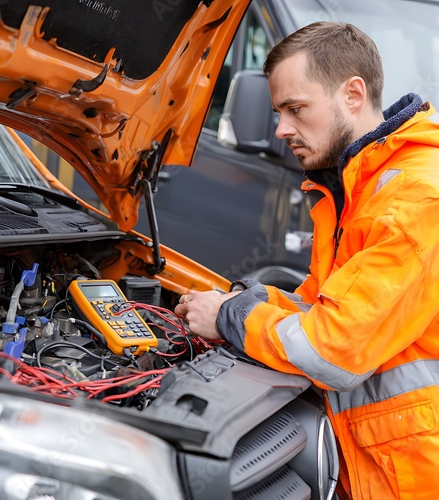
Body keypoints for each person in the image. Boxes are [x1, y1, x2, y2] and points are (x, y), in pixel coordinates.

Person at [174, 21, 439, 500]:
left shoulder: (414, 200)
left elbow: (331, 350)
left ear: (353, 94)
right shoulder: (357, 190)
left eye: (296, 109)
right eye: (279, 112)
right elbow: (325, 310)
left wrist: (232, 316)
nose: (281, 129)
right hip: (388, 458)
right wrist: (250, 299)